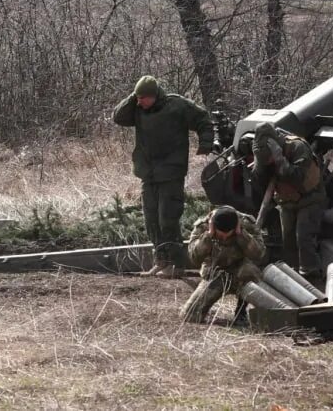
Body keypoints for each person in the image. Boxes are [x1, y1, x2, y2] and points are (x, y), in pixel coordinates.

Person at [112, 75, 213, 278]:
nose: (140, 102)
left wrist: (205, 143)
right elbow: (118, 117)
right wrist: (134, 96)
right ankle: (161, 260)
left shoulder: (176, 105)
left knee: (168, 217)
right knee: (151, 219)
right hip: (148, 173)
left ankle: (175, 265)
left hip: (171, 172)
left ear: (154, 96)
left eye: (143, 98)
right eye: (137, 98)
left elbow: (203, 119)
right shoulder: (138, 109)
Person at [251, 122, 327, 278]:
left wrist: (280, 160)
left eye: (270, 158)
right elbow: (259, 180)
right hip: (286, 201)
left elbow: (298, 178)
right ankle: (293, 274)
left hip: (309, 198)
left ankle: (310, 274)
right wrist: (260, 164)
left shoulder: (297, 147)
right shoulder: (262, 152)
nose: (269, 161)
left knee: (303, 237)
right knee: (288, 240)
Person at [180, 205, 267, 323]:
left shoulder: (247, 223)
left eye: (228, 235)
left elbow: (259, 254)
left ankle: (241, 311)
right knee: (189, 316)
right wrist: (208, 236)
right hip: (215, 275)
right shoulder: (203, 226)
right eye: (220, 235)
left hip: (241, 274)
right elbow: (194, 258)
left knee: (250, 271)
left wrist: (242, 235)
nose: (225, 238)